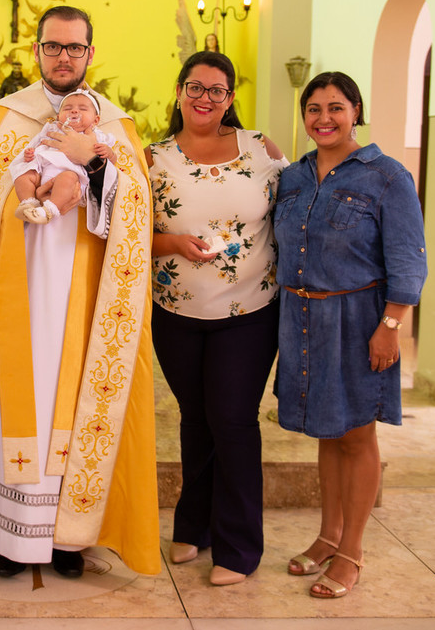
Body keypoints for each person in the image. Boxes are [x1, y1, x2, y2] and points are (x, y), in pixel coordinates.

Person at [0, 5, 161, 579]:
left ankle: (69, 539)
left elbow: (137, 208)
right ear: (37, 51)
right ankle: (9, 539)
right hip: (14, 296)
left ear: (91, 53)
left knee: (73, 403)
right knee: (11, 403)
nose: (63, 57)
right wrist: (29, 188)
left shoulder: (114, 125)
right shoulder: (7, 116)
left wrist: (88, 169)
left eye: (74, 47)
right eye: (53, 46)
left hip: (83, 300)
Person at [273, 71, 427, 598]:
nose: (324, 119)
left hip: (359, 321)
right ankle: (327, 536)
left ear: (356, 111)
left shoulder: (387, 176)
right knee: (328, 432)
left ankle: (352, 552)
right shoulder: (294, 177)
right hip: (302, 319)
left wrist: (390, 327)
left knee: (357, 435)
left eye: (336, 107)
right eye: (314, 109)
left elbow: (408, 259)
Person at [147, 50, 286, 587]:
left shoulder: (260, 147)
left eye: (217, 90)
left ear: (229, 98)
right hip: (176, 311)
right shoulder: (152, 158)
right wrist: (173, 243)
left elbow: (293, 212)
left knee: (232, 418)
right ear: (179, 90)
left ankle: (239, 546)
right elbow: (125, 231)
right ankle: (194, 525)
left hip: (249, 311)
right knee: (195, 417)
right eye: (195, 87)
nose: (205, 98)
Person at [10, 89, 114, 224]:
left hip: (68, 174)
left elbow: (111, 163)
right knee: (23, 176)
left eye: (83, 109)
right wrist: (31, 154)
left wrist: (108, 153)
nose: (74, 111)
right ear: (59, 117)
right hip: (43, 171)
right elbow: (40, 144)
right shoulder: (52, 129)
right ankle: (28, 204)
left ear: (96, 120)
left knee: (68, 179)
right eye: (68, 108)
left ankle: (49, 211)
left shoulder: (96, 136)